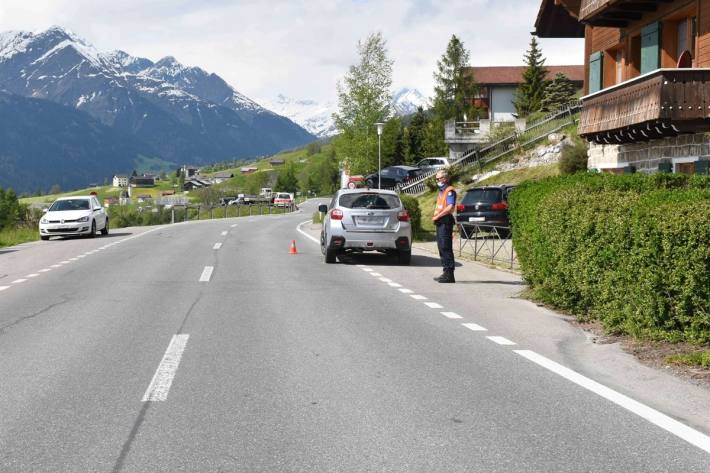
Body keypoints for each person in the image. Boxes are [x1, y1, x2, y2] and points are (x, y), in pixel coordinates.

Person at [432, 169, 456, 283]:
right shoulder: (441, 191)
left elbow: (450, 207)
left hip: (445, 222)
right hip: (440, 222)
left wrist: (438, 216)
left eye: (438, 179)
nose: (437, 181)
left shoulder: (449, 191)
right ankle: (445, 272)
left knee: (446, 247)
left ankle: (449, 274)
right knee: (441, 247)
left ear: (445, 179)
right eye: (436, 179)